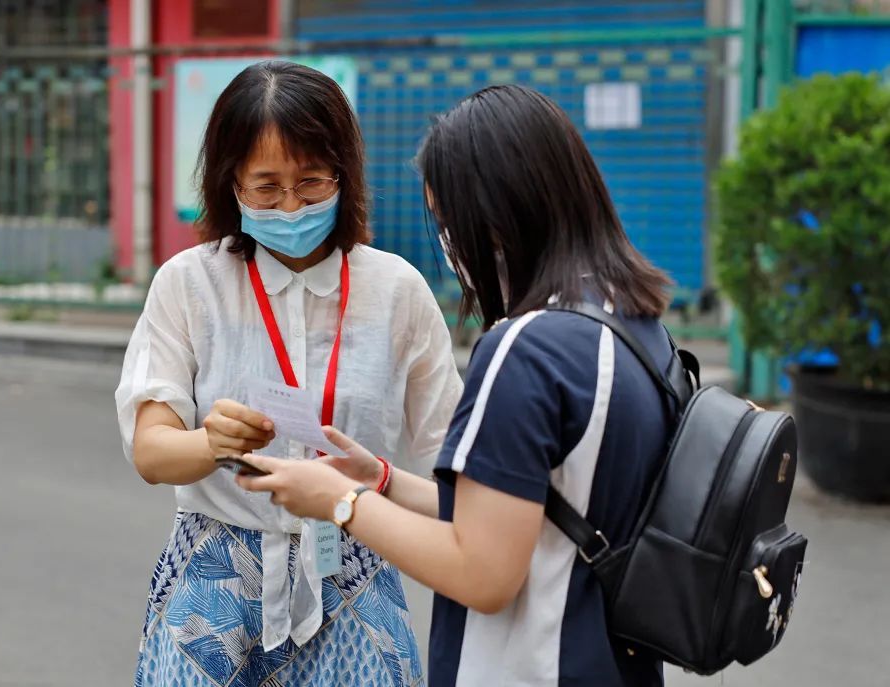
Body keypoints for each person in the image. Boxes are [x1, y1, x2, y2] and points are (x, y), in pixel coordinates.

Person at [235, 84, 677, 687]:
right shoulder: (633, 327)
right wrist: (382, 480)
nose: (449, 245)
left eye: (449, 223)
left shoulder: (526, 351)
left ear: (500, 215)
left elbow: (483, 573)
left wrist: (340, 503)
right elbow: (533, 514)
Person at [115, 60, 462, 686]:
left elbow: (456, 473)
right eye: (266, 189)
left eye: (311, 184)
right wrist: (209, 444)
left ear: (345, 177)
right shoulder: (189, 285)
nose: (292, 206)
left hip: (354, 566)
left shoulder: (397, 291)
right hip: (213, 582)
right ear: (230, 185)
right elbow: (151, 451)